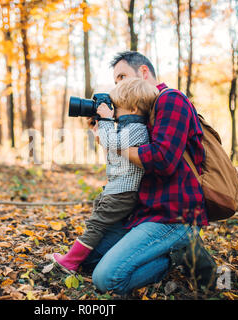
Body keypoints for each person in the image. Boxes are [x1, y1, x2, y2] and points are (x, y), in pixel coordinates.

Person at [80, 51, 217, 295]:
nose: (118, 86)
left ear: (144, 73)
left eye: (122, 77)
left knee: (106, 279)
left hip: (174, 215)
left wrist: (115, 144)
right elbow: (127, 167)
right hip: (144, 211)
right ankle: (160, 250)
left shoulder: (170, 99)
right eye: (116, 81)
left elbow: (163, 159)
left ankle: (176, 255)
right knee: (88, 260)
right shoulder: (138, 115)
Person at [53, 78, 160, 274]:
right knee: (100, 219)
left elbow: (113, 143)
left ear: (134, 109)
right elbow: (114, 150)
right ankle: (92, 255)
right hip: (117, 189)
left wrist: (106, 120)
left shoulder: (138, 129)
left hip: (123, 192)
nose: (114, 111)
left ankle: (70, 261)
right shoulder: (128, 128)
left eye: (117, 107)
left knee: (96, 224)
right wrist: (102, 128)